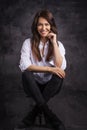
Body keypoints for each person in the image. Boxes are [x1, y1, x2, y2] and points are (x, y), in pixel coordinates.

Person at [19, 9, 67, 130]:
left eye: (46, 24)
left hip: (49, 87)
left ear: (51, 26)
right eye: (40, 24)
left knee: (58, 75)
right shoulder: (27, 43)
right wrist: (49, 70)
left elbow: (59, 66)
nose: (43, 28)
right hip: (32, 85)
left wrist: (54, 43)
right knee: (26, 74)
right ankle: (52, 118)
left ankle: (31, 116)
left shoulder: (59, 44)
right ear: (36, 26)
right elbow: (25, 66)